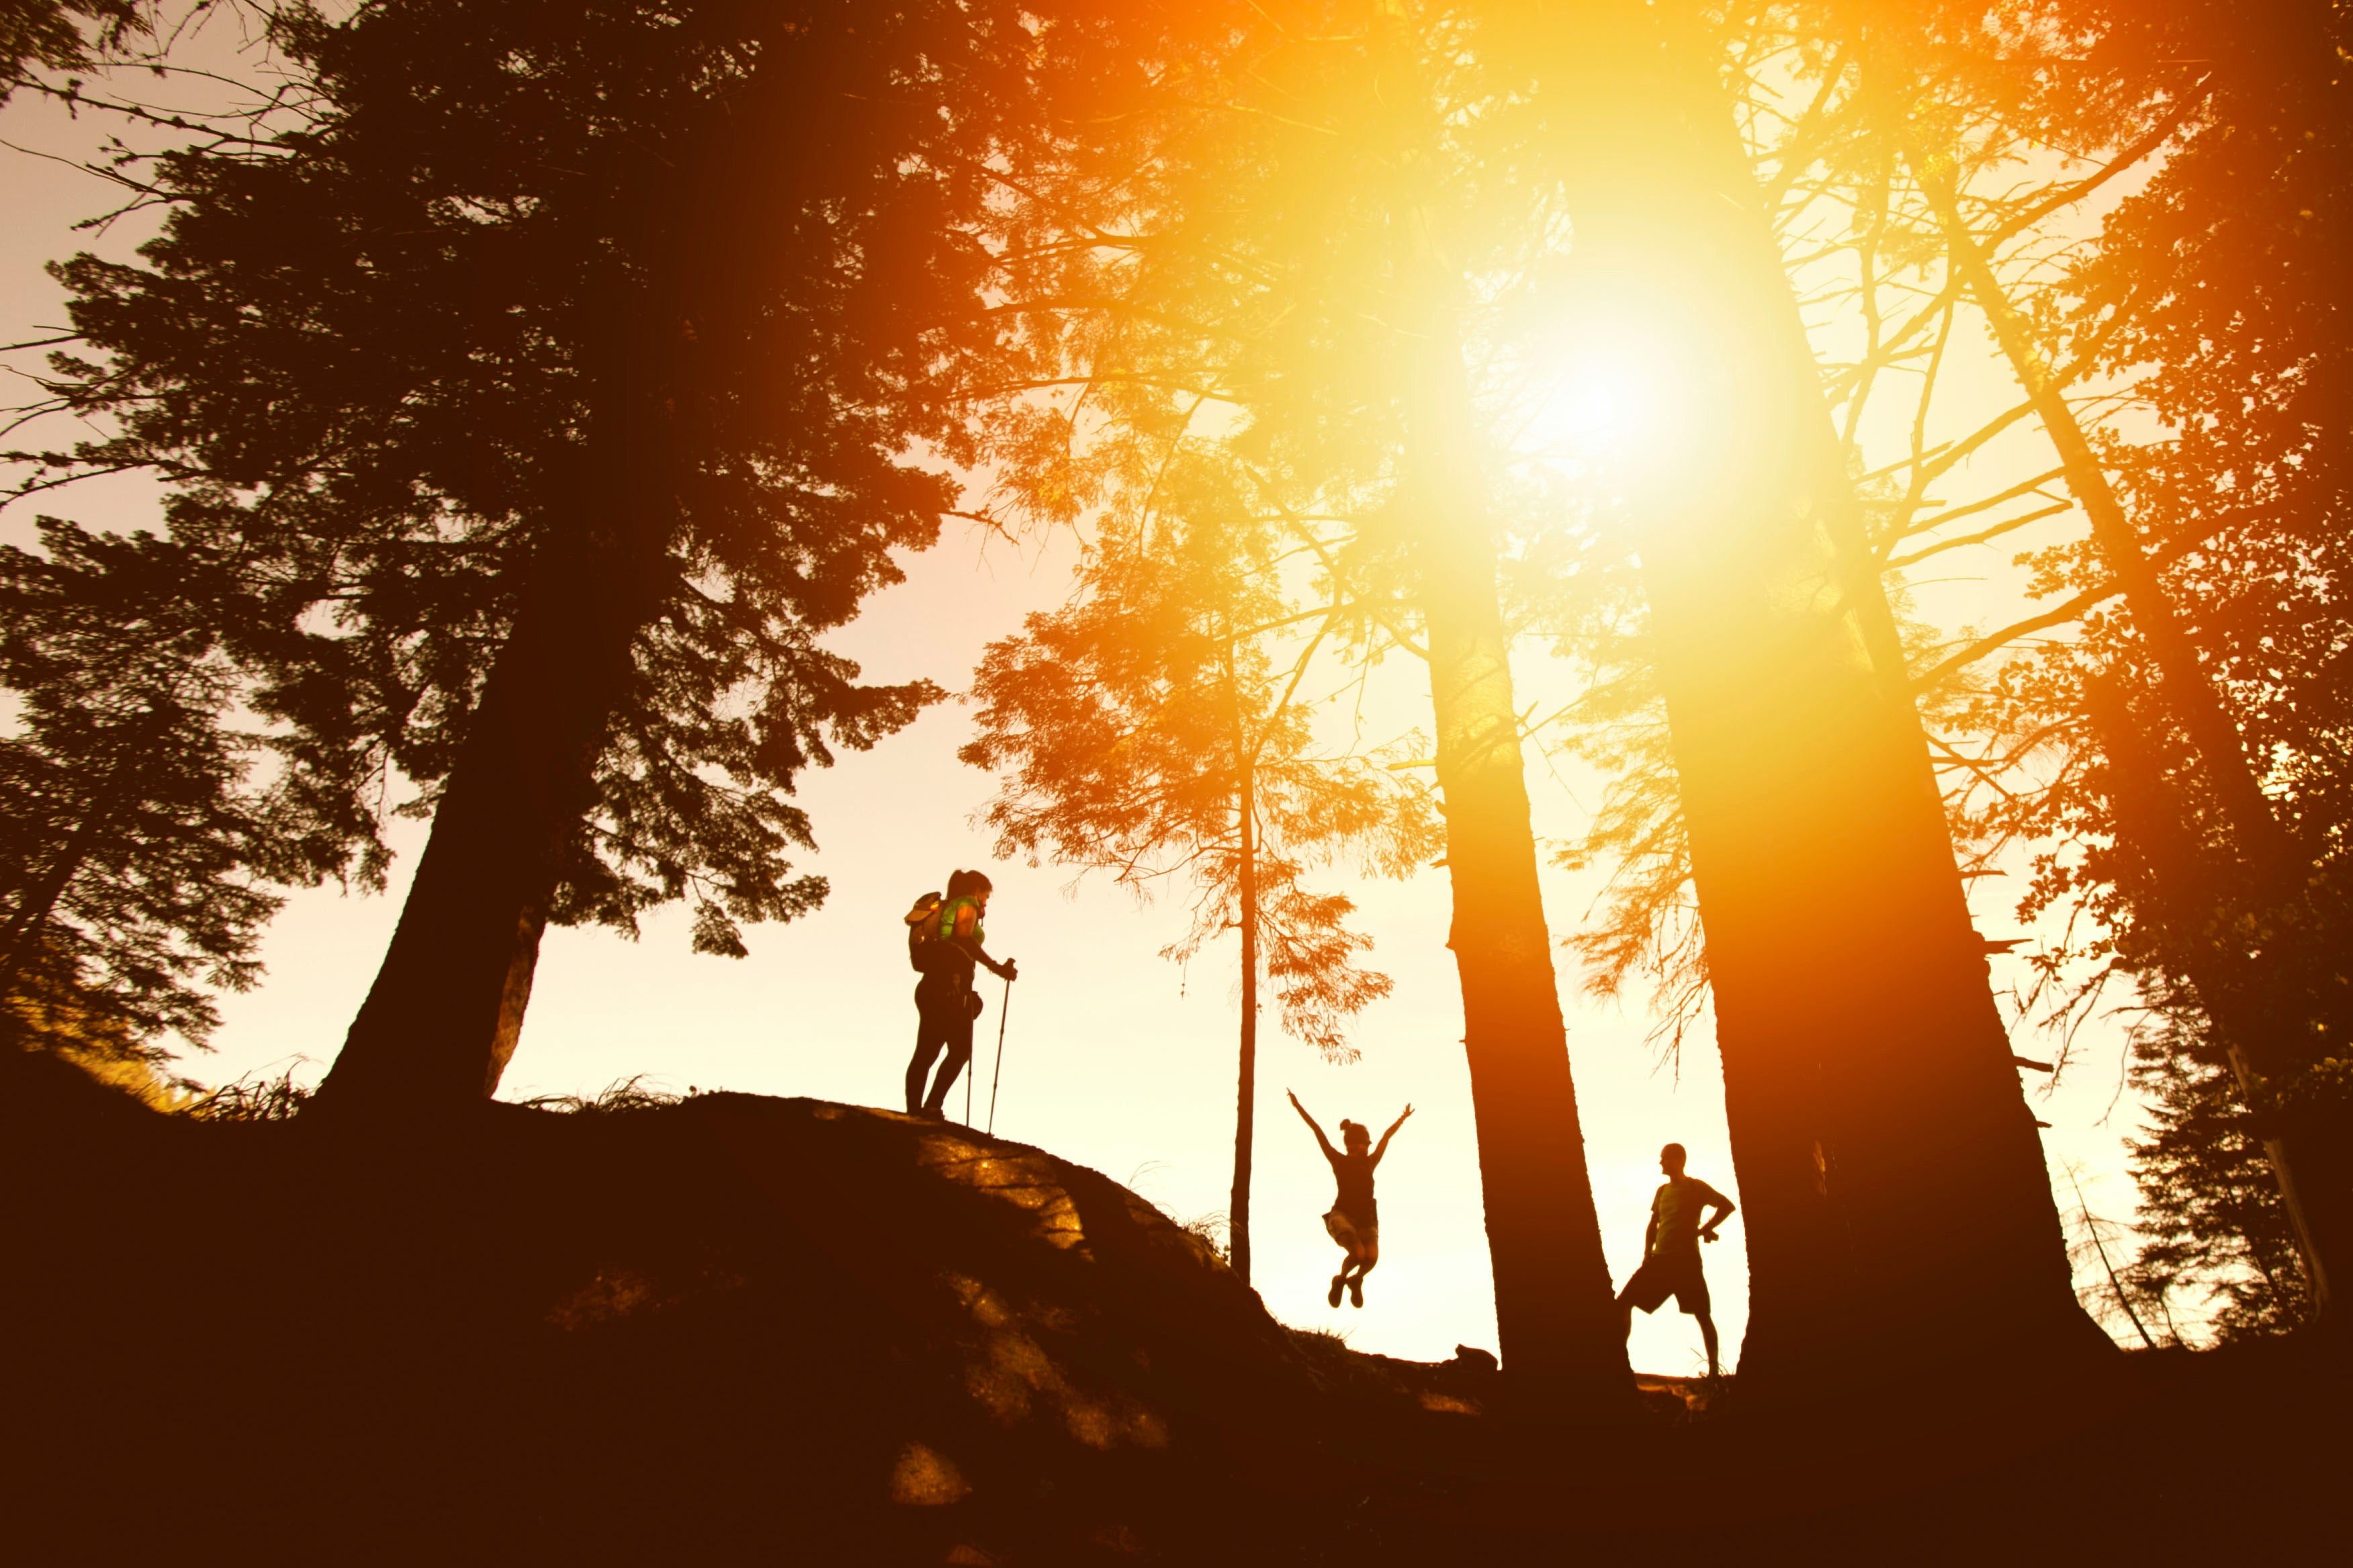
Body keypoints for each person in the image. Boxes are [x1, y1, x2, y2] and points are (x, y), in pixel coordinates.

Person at [1616, 1142, 1736, 1378]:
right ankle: (1620, 1361)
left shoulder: (1695, 1187)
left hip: (1686, 1262)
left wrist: (1704, 1230)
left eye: (1665, 1159)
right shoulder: (1662, 1191)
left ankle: (1714, 1371)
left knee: (1703, 1314)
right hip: (1659, 1261)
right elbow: (1654, 1223)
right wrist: (1646, 1253)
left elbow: (1727, 1206)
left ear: (1678, 1160)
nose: (1661, 1163)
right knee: (1623, 1303)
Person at [904, 868, 1016, 1119]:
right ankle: (930, 1107)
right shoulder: (967, 903)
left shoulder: (950, 906)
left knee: (928, 1051)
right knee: (959, 1050)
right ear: (977, 890)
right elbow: (964, 939)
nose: (986, 902)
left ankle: (915, 1111)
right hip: (949, 986)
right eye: (986, 896)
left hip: (934, 985)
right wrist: (997, 968)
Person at [1288, 1091, 1413, 1309]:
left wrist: (1402, 1119)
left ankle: (1356, 1280)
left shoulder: (1371, 1162)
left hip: (1367, 1220)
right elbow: (1318, 1132)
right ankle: (1340, 1279)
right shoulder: (1339, 1161)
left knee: (1371, 1257)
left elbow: (1386, 1137)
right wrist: (1298, 1107)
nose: (1359, 1149)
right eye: (1355, 1146)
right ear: (1350, 1146)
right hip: (1343, 1216)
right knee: (1358, 1253)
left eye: (1362, 1146)